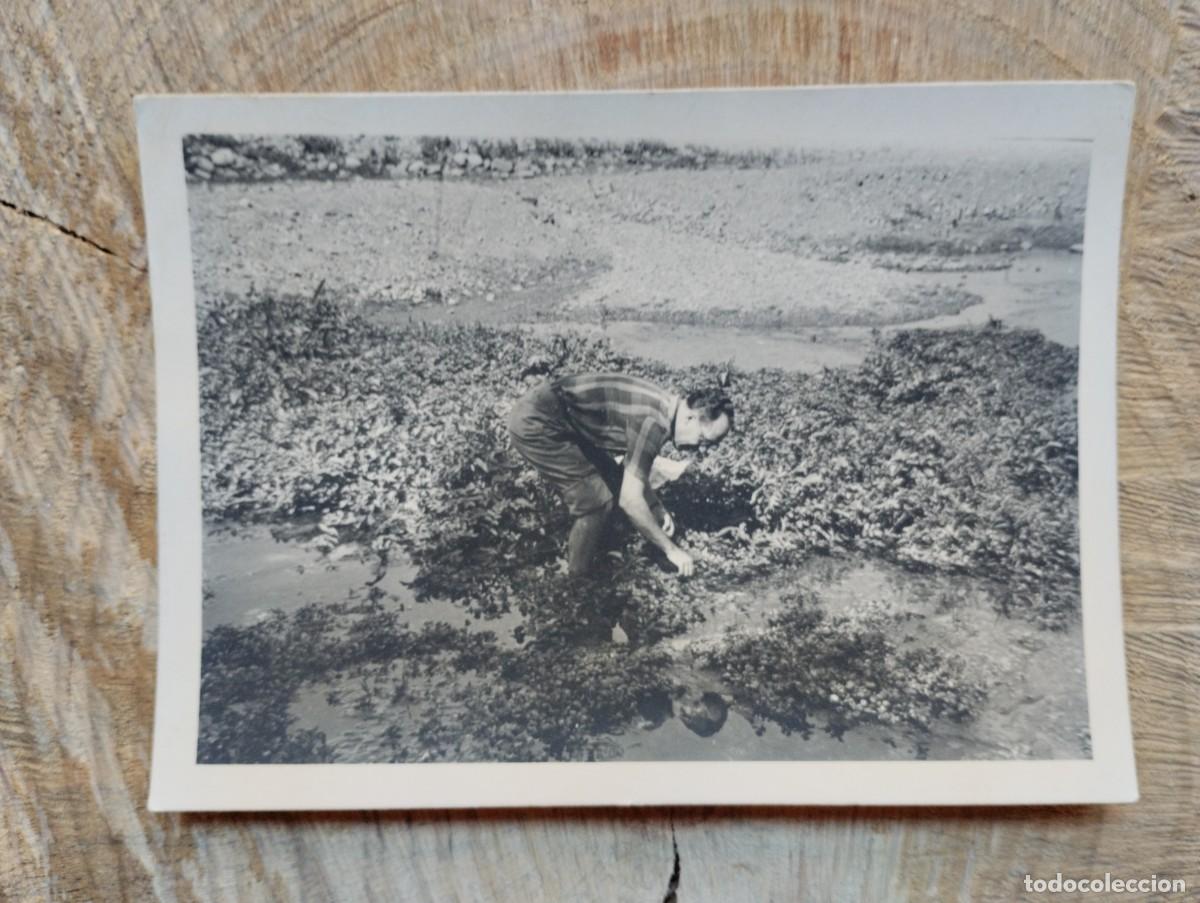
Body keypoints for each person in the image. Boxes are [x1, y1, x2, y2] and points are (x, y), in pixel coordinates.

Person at [508, 373, 734, 578]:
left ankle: (602, 552)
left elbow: (633, 465)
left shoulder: (665, 407)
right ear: (690, 419)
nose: (700, 449)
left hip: (561, 418)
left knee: (615, 482)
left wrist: (654, 505)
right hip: (537, 421)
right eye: (703, 440)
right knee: (597, 503)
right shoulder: (654, 423)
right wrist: (672, 550)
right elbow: (630, 500)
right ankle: (576, 584)